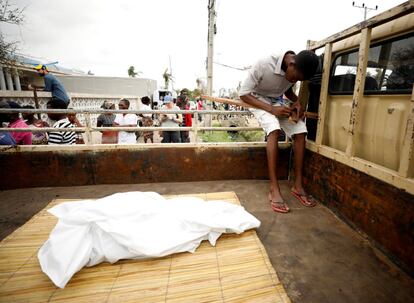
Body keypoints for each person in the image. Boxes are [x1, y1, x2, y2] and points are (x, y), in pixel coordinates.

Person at [239, 50, 319, 213]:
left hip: (277, 102)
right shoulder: (263, 64)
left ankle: (297, 186)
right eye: (295, 77)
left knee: (300, 131)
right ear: (291, 64)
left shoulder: (295, 69)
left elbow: (287, 91)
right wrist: (270, 109)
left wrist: (297, 102)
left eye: (298, 80)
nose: (294, 80)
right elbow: (243, 94)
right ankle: (273, 188)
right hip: (256, 100)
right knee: (274, 129)